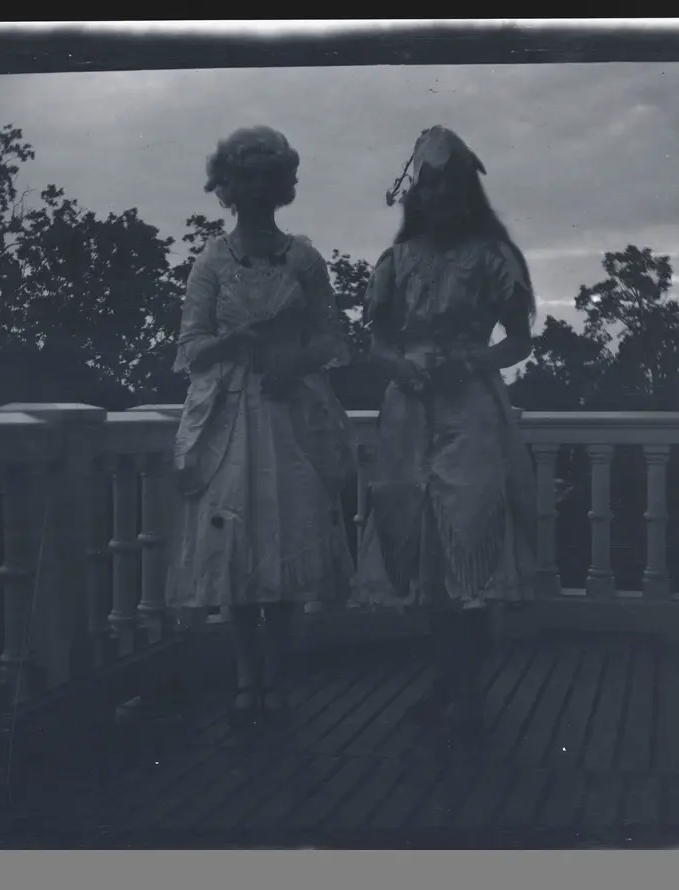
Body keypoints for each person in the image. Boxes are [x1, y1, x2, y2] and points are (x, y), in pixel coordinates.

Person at [350, 125, 539, 735]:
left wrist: (473, 362)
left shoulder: (493, 257)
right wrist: (401, 368)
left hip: (472, 413)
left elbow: (519, 340)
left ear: (467, 193)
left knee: (472, 540)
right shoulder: (397, 261)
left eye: (452, 187)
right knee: (426, 550)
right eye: (431, 188)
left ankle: (469, 689)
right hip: (410, 414)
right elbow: (377, 344)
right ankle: (445, 683)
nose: (441, 198)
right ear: (418, 195)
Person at [166, 126, 357, 727]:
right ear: (226, 186)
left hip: (291, 413)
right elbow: (190, 347)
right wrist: (236, 342)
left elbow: (332, 337)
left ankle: (276, 676)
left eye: (266, 177)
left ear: (281, 185)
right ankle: (247, 677)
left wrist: (295, 362)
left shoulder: (302, 258)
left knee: (287, 540)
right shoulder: (212, 261)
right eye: (243, 178)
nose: (255, 188)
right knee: (238, 545)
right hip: (231, 418)